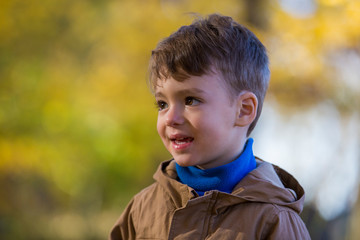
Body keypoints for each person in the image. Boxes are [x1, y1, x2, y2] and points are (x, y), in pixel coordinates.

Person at [109, 13, 311, 240]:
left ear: (243, 110)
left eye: (190, 100)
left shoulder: (274, 220)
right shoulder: (141, 210)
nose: (170, 118)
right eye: (162, 104)